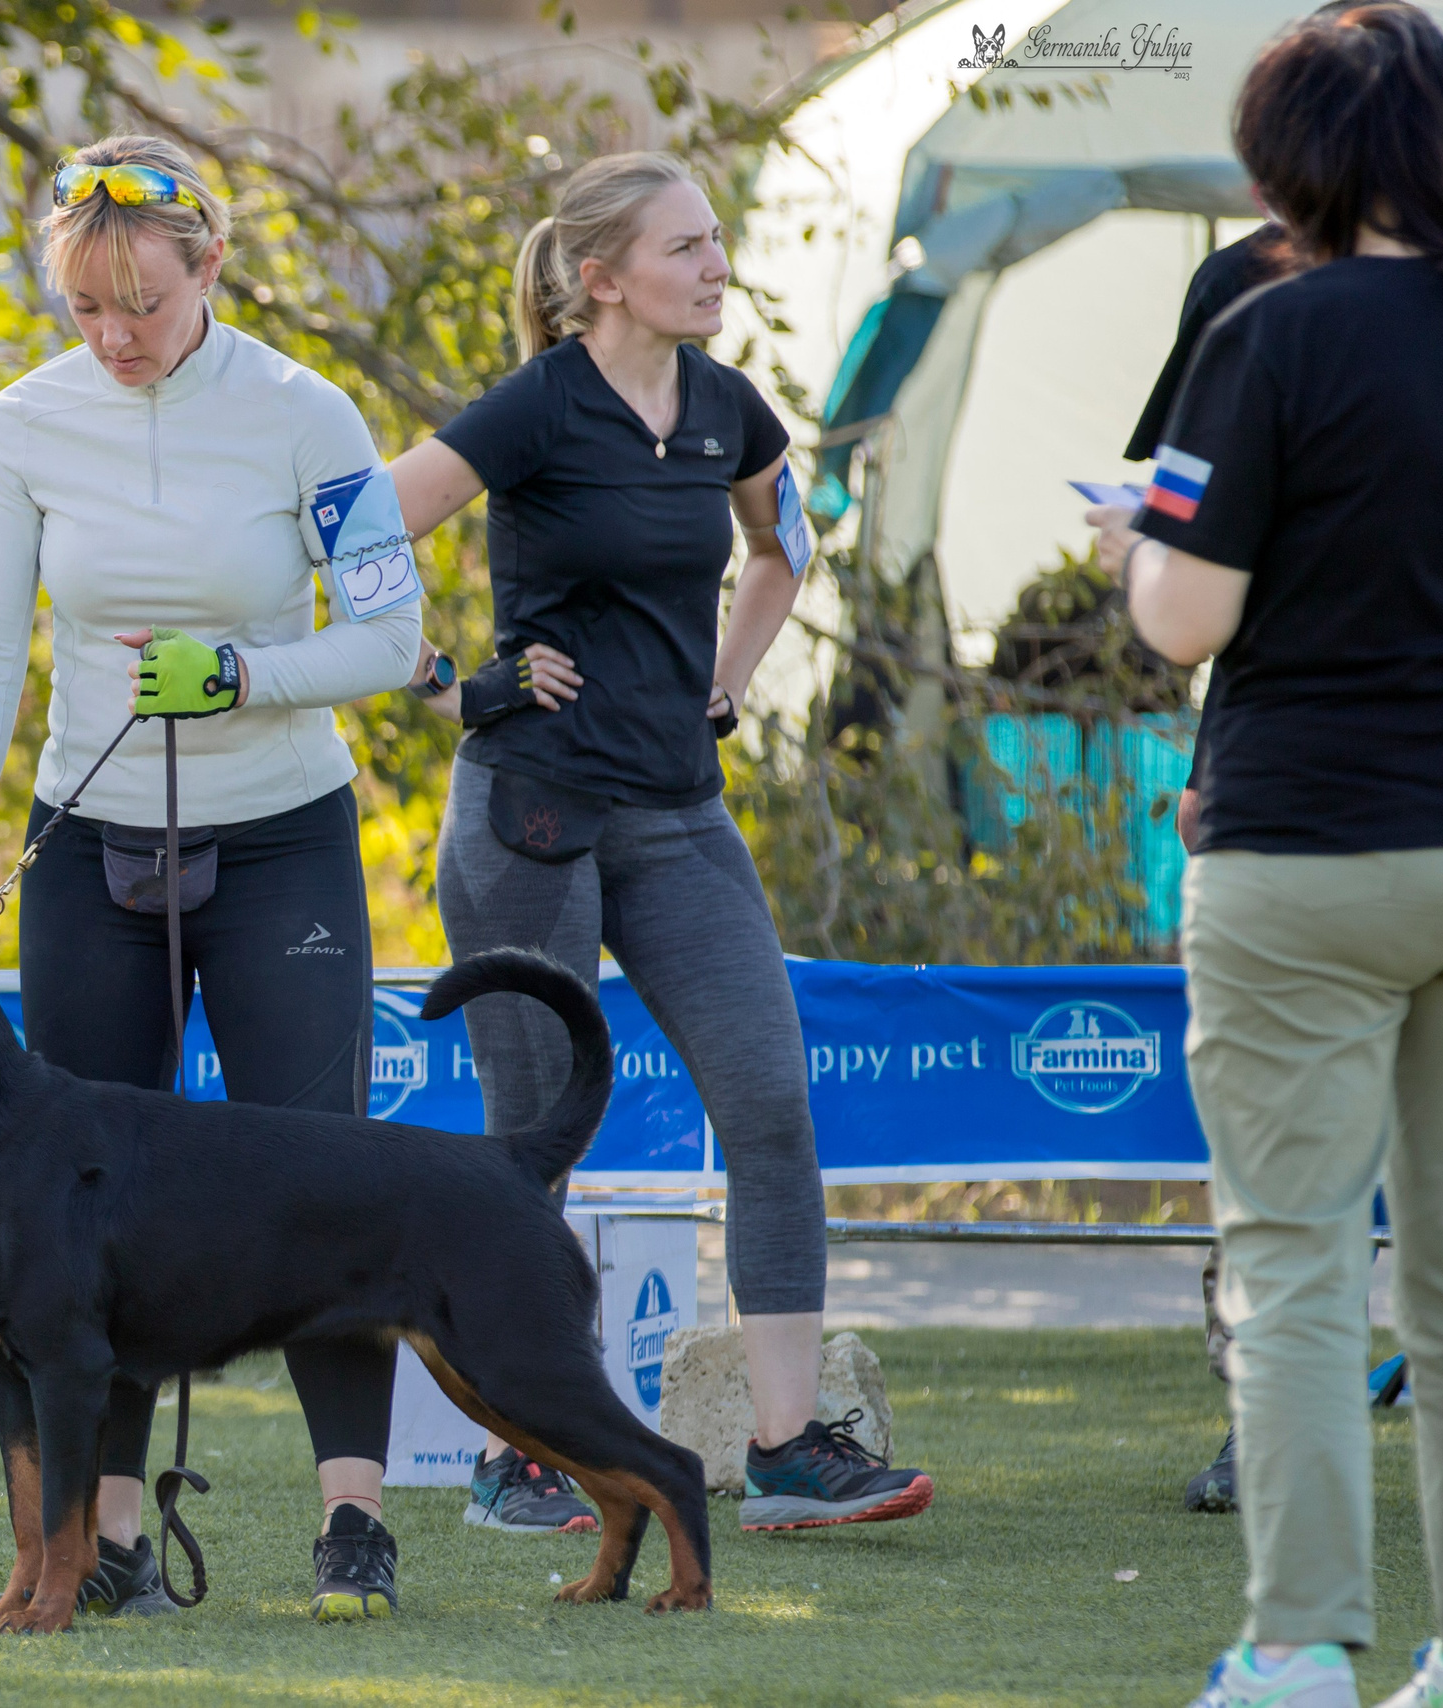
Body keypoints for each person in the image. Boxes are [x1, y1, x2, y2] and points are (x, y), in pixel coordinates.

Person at [389, 151, 935, 1537]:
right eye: (685, 247)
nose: (715, 265)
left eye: (714, 241)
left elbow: (783, 547)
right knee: (533, 1144)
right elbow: (357, 535)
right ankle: (523, 1454)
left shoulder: (728, 407)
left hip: (681, 813)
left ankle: (790, 1454)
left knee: (770, 1109)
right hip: (528, 817)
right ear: (603, 278)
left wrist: (729, 679)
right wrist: (456, 686)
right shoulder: (535, 405)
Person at [0, 135, 424, 1620]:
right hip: (89, 846)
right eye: (85, 308)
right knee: (79, 1203)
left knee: (321, 1172)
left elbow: (390, 640)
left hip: (280, 839)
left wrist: (246, 674)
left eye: (141, 301)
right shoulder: (23, 423)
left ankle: (353, 1519)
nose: (115, 336)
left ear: (210, 266)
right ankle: (111, 1539)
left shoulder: (305, 411)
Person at [1086, 8, 1443, 1704]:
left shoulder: (1270, 329)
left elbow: (1186, 618)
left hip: (1305, 845)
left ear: (1287, 164)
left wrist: (1131, 542)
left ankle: (1305, 1645)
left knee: (1300, 1267)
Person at [1123, 217, 1295, 1520]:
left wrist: (1138, 546)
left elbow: (1183, 598)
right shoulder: (1243, 281)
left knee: (1269, 1168)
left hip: (1297, 816)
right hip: (1314, 790)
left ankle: (1266, 1436)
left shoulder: (1247, 286)